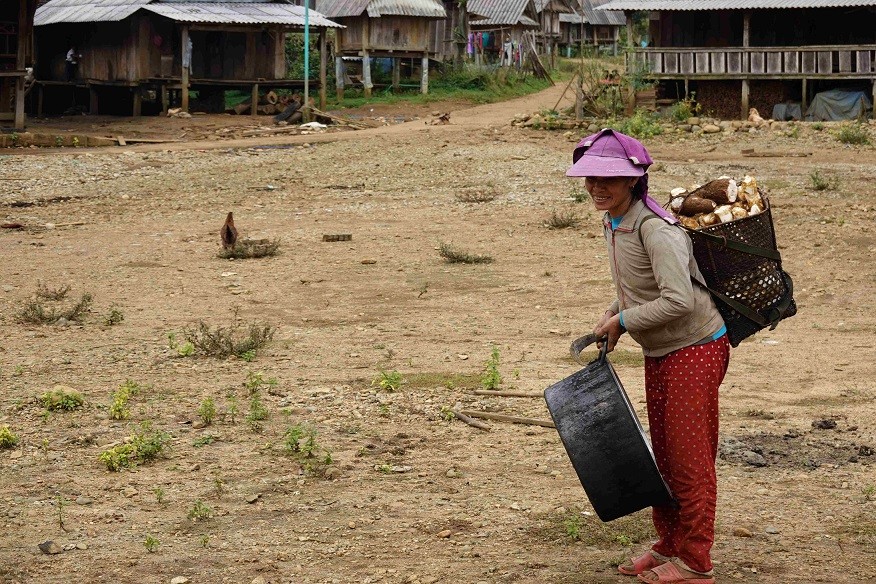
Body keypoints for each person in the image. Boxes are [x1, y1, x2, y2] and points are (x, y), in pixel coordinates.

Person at [566, 129, 729, 584]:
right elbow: (639, 286)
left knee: (690, 457)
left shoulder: (656, 228)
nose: (598, 187)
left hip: (694, 347)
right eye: (591, 178)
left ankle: (697, 562)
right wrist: (614, 312)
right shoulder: (615, 220)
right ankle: (669, 544)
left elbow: (678, 299)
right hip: (662, 347)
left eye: (610, 178)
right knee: (664, 454)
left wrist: (625, 321)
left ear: (634, 181)